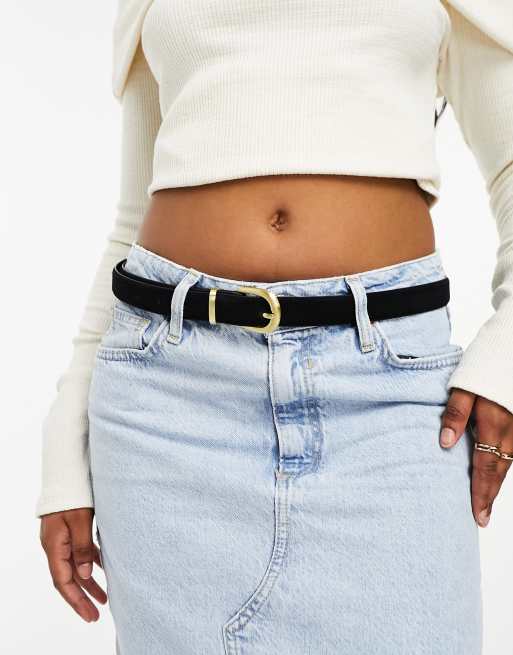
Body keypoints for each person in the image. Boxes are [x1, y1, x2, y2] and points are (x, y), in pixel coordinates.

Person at [37, 1, 513, 653]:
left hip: (385, 395)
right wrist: (64, 443)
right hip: (168, 405)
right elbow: (132, 214)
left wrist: (505, 357)